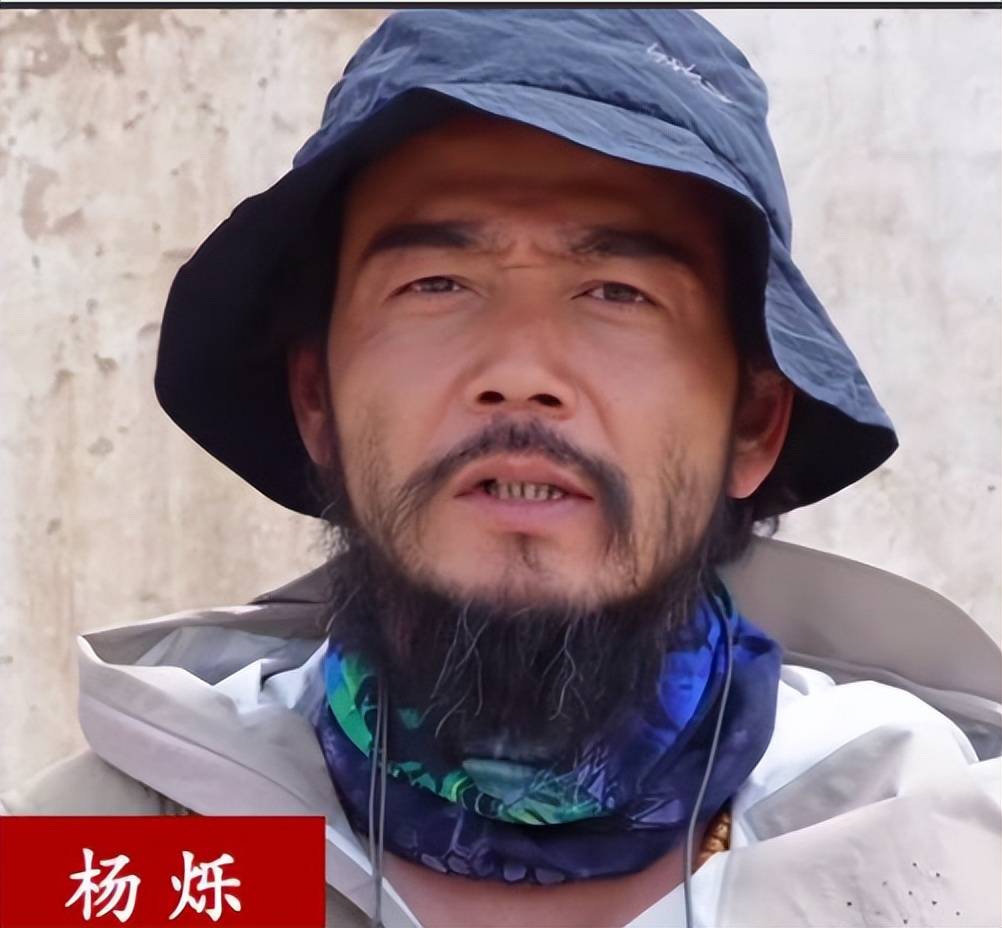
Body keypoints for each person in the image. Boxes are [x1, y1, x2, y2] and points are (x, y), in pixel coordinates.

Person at [3, 10, 999, 928]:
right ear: (317, 400)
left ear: (753, 420)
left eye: (617, 292)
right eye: (436, 283)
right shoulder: (111, 860)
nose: (520, 372)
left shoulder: (932, 848)